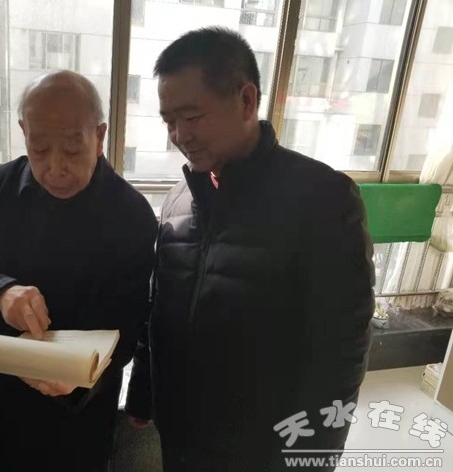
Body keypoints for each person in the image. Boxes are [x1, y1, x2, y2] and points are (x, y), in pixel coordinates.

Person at [125, 27, 374, 472]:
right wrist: (143, 394)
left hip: (265, 448)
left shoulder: (322, 199)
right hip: (180, 435)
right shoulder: (179, 199)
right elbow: (159, 312)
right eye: (169, 121)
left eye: (192, 116)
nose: (179, 135)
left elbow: (340, 353)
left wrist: (310, 457)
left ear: (246, 100)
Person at [0, 70, 158, 472]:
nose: (56, 167)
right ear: (24, 132)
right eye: (39, 147)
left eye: (73, 148)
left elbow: (132, 322)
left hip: (85, 410)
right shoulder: (0, 189)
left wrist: (83, 373)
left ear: (100, 136)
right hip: (9, 399)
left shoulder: (131, 215)